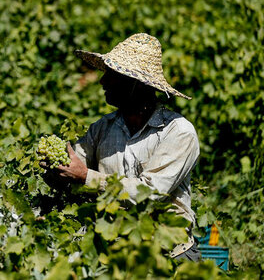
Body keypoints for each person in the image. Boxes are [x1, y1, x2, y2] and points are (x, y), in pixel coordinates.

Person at [44, 33, 201, 261]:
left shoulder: (178, 133)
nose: (103, 82)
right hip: (113, 254)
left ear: (135, 84)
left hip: (166, 255)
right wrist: (55, 170)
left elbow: (149, 194)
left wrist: (86, 177)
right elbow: (74, 165)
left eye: (112, 75)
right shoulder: (103, 128)